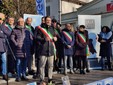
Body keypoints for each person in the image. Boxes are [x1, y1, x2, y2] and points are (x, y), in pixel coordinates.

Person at [35, 16, 57, 84]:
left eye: (49, 20)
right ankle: (42, 79)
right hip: (43, 49)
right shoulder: (40, 28)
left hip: (51, 49)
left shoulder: (52, 28)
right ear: (44, 20)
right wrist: (44, 39)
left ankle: (50, 78)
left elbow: (54, 36)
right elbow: (37, 37)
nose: (48, 21)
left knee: (51, 66)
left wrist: (55, 38)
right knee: (42, 66)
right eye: (47, 20)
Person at [0, 13, 11, 81]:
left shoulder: (4, 26)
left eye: (1, 19)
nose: (0, 20)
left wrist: (2, 30)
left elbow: (9, 33)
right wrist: (3, 34)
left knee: (4, 60)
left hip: (3, 46)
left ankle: (4, 74)